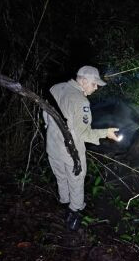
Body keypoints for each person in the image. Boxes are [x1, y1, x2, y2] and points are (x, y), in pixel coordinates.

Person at [44, 66, 119, 230]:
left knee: (61, 177)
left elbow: (45, 114)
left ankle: (63, 203)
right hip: (71, 152)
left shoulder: (56, 87)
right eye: (94, 84)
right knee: (76, 181)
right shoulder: (81, 101)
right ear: (84, 81)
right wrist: (106, 133)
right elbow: (83, 134)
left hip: (52, 146)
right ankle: (74, 215)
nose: (96, 88)